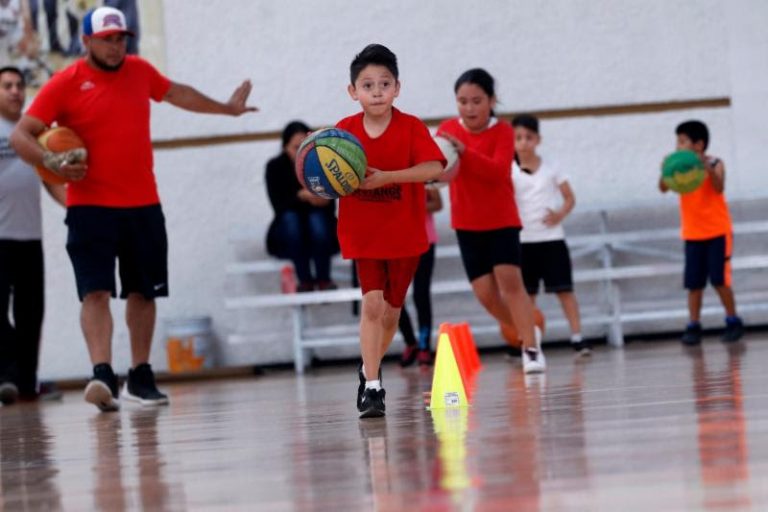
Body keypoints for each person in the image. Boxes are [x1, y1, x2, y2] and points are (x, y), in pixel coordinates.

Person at [9, 6, 257, 412]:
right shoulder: (65, 82)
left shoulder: (140, 71)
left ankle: (139, 377)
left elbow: (178, 93)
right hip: (89, 207)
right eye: (106, 38)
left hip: (143, 204)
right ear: (86, 41)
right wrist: (51, 162)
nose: (115, 44)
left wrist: (226, 109)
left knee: (144, 292)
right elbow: (23, 135)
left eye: (120, 37)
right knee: (96, 292)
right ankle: (102, 374)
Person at [336, 43, 444, 418]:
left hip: (404, 233)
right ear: (353, 92)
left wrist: (388, 177)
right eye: (368, 85)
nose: (377, 91)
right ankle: (373, 385)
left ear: (398, 87)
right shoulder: (341, 136)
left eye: (385, 83)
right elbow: (325, 179)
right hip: (363, 233)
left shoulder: (411, 127)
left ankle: (367, 366)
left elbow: (434, 168)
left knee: (392, 314)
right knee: (372, 304)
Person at [437, 68, 545, 374]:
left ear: (491, 100)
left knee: (511, 283)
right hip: (466, 223)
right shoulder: (446, 130)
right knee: (485, 295)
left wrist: (464, 152)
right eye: (462, 101)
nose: (469, 108)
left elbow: (498, 172)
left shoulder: (504, 131)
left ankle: (531, 349)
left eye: (476, 101)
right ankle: (529, 328)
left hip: (501, 220)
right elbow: (442, 172)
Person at [0, 65, 66, 404]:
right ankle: (7, 375)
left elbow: (49, 179)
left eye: (19, 86)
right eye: (7, 86)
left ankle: (25, 384)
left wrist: (76, 207)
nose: (15, 91)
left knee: (31, 315)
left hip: (30, 238)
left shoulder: (33, 132)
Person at [659, 120, 743, 345]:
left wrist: (705, 167)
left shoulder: (715, 162)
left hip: (717, 231)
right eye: (677, 141)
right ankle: (693, 325)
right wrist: (665, 169)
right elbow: (663, 187)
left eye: (683, 141)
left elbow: (719, 187)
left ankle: (733, 320)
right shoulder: (679, 166)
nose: (678, 145)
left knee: (719, 279)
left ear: (699, 144)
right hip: (693, 233)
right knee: (694, 284)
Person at [511, 114, 589, 357]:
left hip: (552, 239)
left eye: (528, 137)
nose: (523, 142)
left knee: (564, 291)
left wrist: (559, 214)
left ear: (538, 139)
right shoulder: (507, 168)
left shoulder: (552, 166)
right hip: (523, 240)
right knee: (527, 295)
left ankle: (577, 338)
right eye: (518, 138)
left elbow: (570, 197)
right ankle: (527, 343)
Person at [265, 121, 339, 292]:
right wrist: (302, 196)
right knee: (292, 220)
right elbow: (278, 205)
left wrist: (320, 200)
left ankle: (323, 279)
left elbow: (329, 205)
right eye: (295, 147)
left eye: (304, 147)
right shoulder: (275, 167)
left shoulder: (320, 164)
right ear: (285, 147)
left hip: (321, 233)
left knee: (317, 219)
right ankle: (304, 280)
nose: (299, 153)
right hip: (289, 235)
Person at [398, 185, 441, 367]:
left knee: (421, 294)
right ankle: (410, 342)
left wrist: (413, 207)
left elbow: (437, 204)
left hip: (425, 240)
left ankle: (424, 346)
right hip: (397, 241)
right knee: (395, 297)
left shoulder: (424, 174)